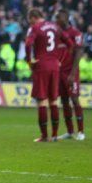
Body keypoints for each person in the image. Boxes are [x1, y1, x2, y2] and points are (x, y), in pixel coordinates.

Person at [25, 8, 73, 142]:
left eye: (30, 20)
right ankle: (55, 135)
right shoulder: (55, 27)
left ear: (33, 17)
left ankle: (44, 136)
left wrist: (29, 61)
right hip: (54, 66)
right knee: (53, 101)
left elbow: (28, 44)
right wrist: (60, 60)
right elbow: (70, 44)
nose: (30, 23)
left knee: (42, 101)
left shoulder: (35, 27)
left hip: (41, 65)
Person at [55, 9, 85, 141]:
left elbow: (78, 52)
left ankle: (81, 131)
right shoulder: (57, 34)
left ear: (66, 18)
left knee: (74, 99)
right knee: (64, 101)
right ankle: (70, 131)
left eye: (59, 18)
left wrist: (73, 73)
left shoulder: (75, 33)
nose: (57, 21)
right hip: (60, 72)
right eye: (56, 19)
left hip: (71, 72)